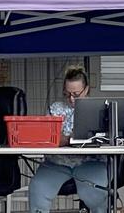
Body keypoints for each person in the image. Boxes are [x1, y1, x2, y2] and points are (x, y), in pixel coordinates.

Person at [29, 66, 107, 213]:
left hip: (90, 163)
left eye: (76, 94)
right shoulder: (55, 108)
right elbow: (49, 138)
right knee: (37, 188)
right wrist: (71, 139)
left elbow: (105, 139)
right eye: (68, 94)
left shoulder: (99, 108)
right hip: (56, 163)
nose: (71, 99)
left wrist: (64, 139)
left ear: (86, 89)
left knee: (98, 195)